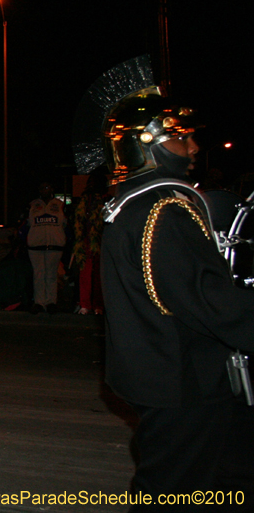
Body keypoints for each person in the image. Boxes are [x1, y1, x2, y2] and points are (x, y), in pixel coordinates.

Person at [77, 68, 254, 506]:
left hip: (162, 373)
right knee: (172, 493)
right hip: (184, 381)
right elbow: (210, 302)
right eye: (179, 139)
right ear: (145, 146)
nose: (193, 148)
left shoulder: (131, 205)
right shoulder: (163, 210)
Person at [71, 171, 108, 315]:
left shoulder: (105, 199)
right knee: (87, 273)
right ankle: (86, 304)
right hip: (87, 241)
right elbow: (78, 222)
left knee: (97, 274)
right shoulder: (85, 199)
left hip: (99, 241)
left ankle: (95, 304)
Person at [26, 182, 66, 314]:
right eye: (42, 187)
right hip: (36, 244)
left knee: (51, 274)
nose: (45, 190)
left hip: (55, 244)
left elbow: (66, 223)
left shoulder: (60, 204)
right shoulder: (33, 205)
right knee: (38, 274)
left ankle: (51, 302)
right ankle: (39, 302)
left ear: (52, 189)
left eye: (47, 187)